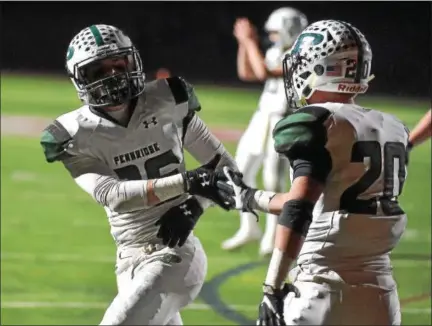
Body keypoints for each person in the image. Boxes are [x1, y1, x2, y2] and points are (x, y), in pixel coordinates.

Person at [39, 24, 237, 325]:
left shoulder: (168, 100)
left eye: (118, 65)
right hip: (128, 257)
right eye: (99, 71)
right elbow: (114, 196)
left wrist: (194, 206)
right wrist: (187, 182)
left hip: (176, 252)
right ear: (81, 79)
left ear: (132, 62)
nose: (113, 76)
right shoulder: (72, 134)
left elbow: (226, 168)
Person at [219, 19, 409, 325]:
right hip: (382, 292)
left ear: (323, 69)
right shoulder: (393, 127)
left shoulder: (317, 122)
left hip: (322, 285)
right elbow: (323, 197)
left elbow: (299, 205)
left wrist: (272, 286)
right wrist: (250, 197)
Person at [222, 7, 308, 256]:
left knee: (273, 178)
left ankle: (273, 234)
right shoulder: (274, 50)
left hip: (284, 119)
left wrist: (249, 41)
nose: (271, 37)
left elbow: (263, 72)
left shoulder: (303, 54)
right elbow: (247, 73)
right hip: (262, 116)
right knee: (238, 169)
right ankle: (249, 226)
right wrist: (242, 44)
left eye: (275, 32)